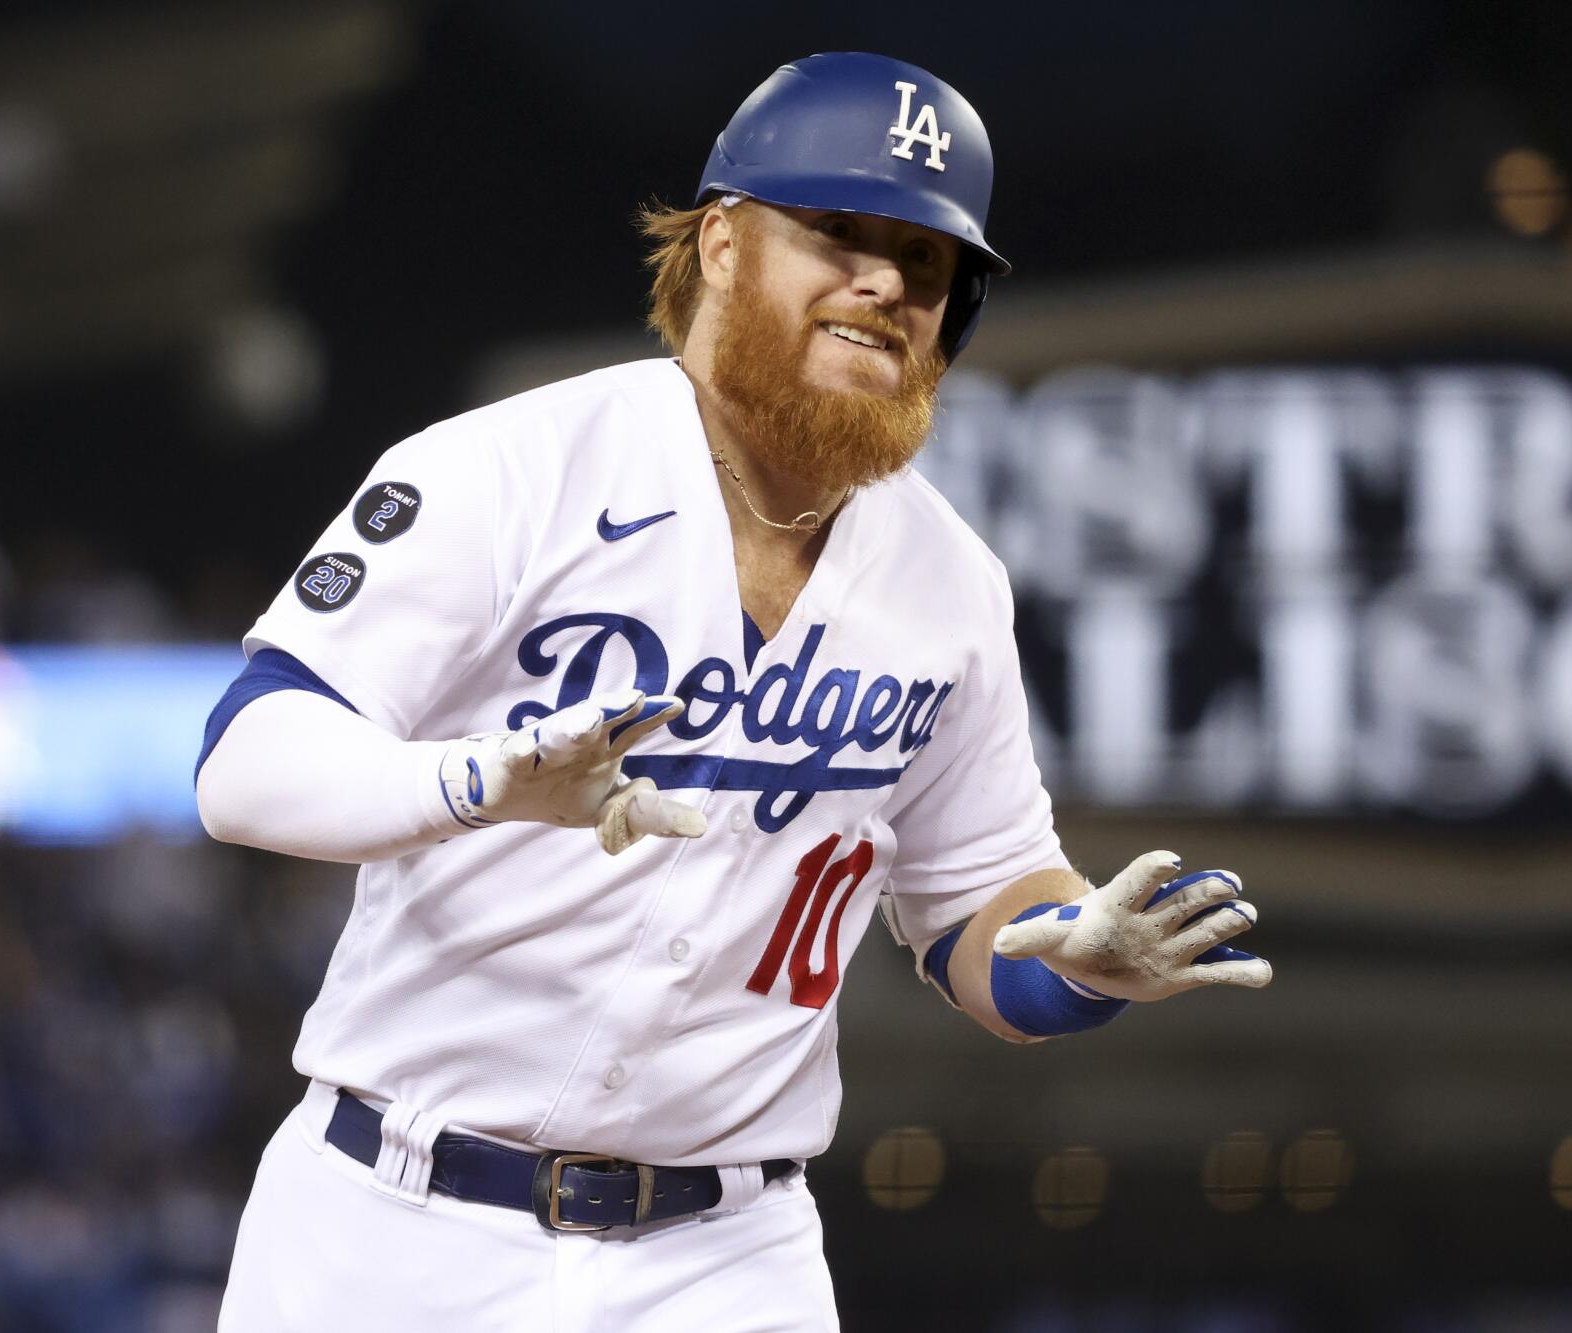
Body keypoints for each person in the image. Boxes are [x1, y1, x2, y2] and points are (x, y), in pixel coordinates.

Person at [194, 50, 1271, 1332]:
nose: (884, 281)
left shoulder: (948, 585)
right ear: (718, 243)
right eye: (839, 232)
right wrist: (480, 781)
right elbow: (243, 761)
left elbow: (979, 901)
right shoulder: (511, 468)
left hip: (722, 1257)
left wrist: (1079, 960)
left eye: (926, 262)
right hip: (390, 1225)